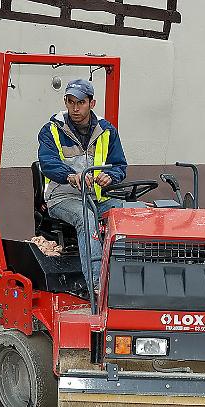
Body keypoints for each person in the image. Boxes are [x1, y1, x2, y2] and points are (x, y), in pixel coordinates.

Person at [37, 79, 128, 291]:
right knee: (86, 218)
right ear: (65, 102)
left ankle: (126, 279)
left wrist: (110, 176)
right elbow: (48, 164)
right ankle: (97, 287)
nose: (75, 108)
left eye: (80, 102)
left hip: (98, 198)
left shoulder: (106, 131)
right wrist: (70, 176)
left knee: (127, 215)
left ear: (92, 103)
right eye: (70, 102)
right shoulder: (51, 131)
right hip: (63, 198)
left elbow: (119, 166)